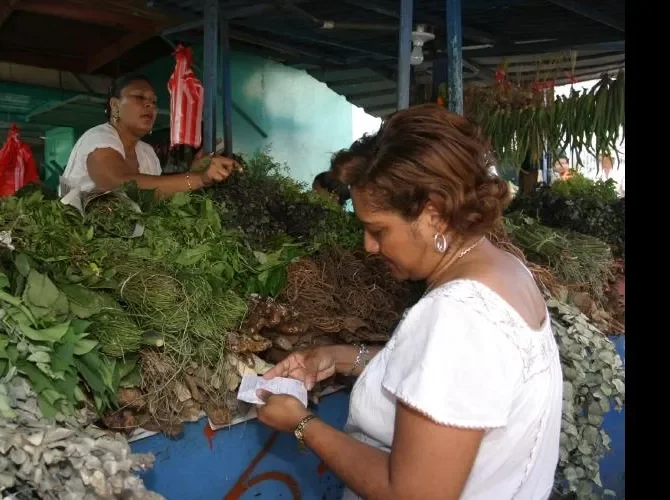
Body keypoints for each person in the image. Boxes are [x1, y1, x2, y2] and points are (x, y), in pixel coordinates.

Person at [255, 104, 563, 500]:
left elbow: (413, 494)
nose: (369, 246)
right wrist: (338, 356)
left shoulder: (458, 313)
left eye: (378, 230)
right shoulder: (505, 271)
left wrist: (301, 423)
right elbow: (442, 377)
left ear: (433, 215)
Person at [59, 74, 239, 210]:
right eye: (139, 97)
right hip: (80, 242)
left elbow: (156, 193)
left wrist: (195, 170)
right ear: (115, 106)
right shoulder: (98, 137)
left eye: (153, 101)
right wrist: (199, 178)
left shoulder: (146, 153)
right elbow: (119, 185)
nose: (150, 105)